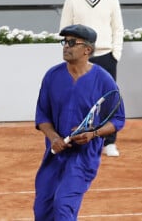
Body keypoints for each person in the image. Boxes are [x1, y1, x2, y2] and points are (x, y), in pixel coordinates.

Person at [33, 24, 125, 221]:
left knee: (63, 205)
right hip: (55, 153)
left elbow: (117, 120)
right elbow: (42, 116)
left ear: (87, 50)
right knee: (42, 210)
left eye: (72, 42)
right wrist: (54, 137)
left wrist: (93, 134)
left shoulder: (103, 80)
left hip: (83, 157)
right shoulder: (52, 76)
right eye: (64, 42)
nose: (66, 46)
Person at [59, 0, 124, 157]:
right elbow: (65, 29)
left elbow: (118, 28)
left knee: (108, 100)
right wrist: (71, 54)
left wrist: (116, 54)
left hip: (106, 55)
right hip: (80, 57)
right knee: (78, 98)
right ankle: (76, 139)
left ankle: (109, 142)